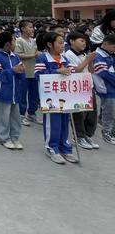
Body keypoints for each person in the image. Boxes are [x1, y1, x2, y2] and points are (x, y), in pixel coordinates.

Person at [34, 32, 78, 165]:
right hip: (50, 98)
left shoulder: (65, 59)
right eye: (59, 42)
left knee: (65, 122)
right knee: (53, 123)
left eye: (63, 42)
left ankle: (65, 147)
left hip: (65, 97)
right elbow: (39, 75)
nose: (62, 45)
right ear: (49, 44)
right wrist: (56, 72)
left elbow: (73, 73)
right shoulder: (43, 58)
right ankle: (52, 148)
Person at [64, 31, 98, 149]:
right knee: (79, 114)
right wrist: (87, 60)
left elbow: (92, 71)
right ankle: (79, 136)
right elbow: (76, 70)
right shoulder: (68, 54)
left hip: (88, 85)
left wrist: (91, 60)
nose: (84, 43)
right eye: (82, 41)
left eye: (85, 41)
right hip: (77, 87)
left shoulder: (84, 54)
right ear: (72, 41)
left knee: (92, 114)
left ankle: (88, 135)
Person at [0, 31, 25, 150]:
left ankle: (15, 137)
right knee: (3, 117)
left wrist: (21, 70)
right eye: (14, 40)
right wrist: (13, 71)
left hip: (15, 93)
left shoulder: (15, 56)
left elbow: (20, 72)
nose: (15, 42)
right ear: (8, 43)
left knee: (15, 117)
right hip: (3, 93)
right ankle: (4, 138)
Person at [15, 21, 41, 126]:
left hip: (33, 71)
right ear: (23, 29)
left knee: (34, 94)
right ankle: (21, 115)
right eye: (30, 27)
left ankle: (32, 113)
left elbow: (36, 53)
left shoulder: (33, 41)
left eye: (32, 27)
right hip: (23, 71)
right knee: (22, 94)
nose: (32, 29)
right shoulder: (18, 41)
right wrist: (34, 55)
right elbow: (19, 55)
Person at [93, 34, 115, 145]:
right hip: (107, 88)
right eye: (114, 47)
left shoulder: (108, 54)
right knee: (109, 112)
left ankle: (111, 131)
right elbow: (104, 74)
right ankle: (106, 133)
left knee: (112, 112)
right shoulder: (98, 56)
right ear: (105, 44)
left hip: (111, 87)